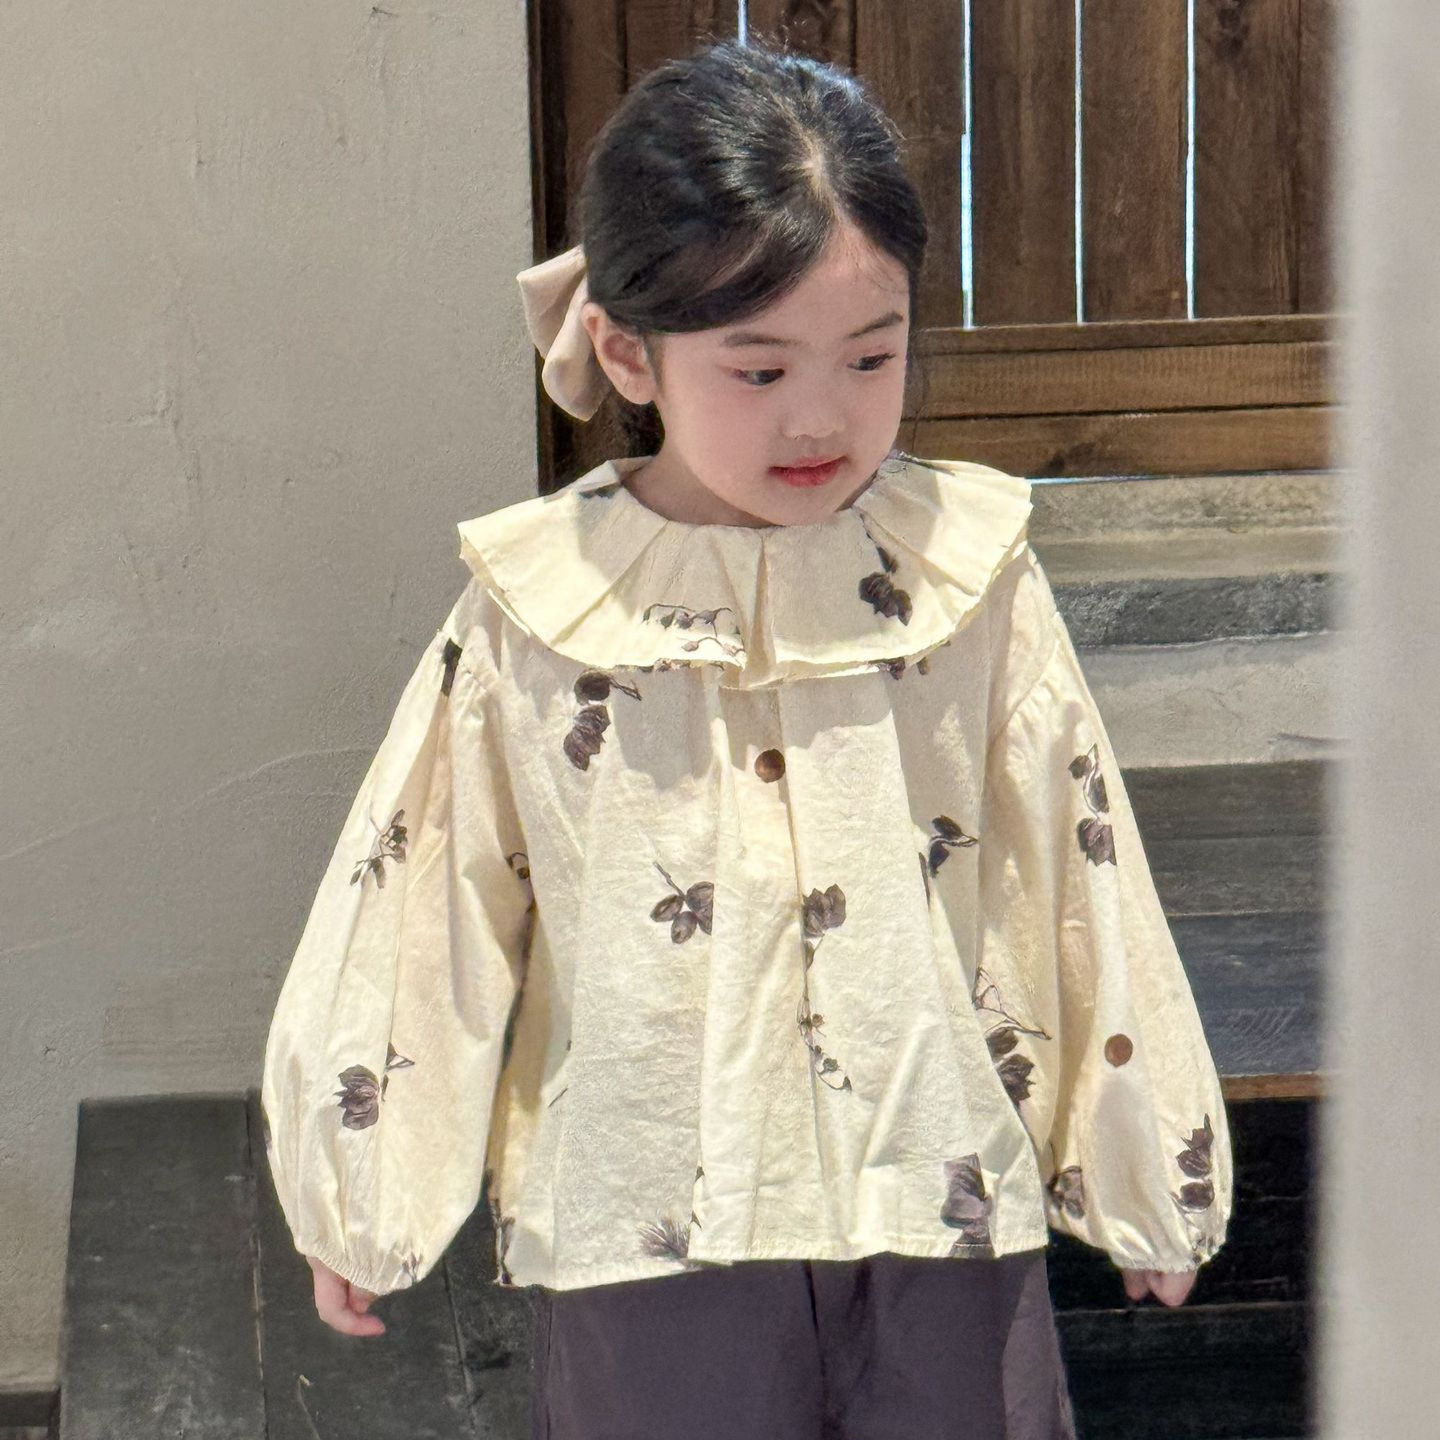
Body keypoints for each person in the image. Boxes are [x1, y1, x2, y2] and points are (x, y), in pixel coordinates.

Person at [260, 37, 1232, 1440]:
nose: (821, 414)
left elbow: (1071, 862)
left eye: (872, 355)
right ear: (627, 351)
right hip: (649, 1218)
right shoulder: (540, 608)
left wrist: (1145, 1167)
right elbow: (425, 897)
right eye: (759, 368)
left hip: (937, 1196)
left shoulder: (967, 575)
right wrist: (361, 1194)